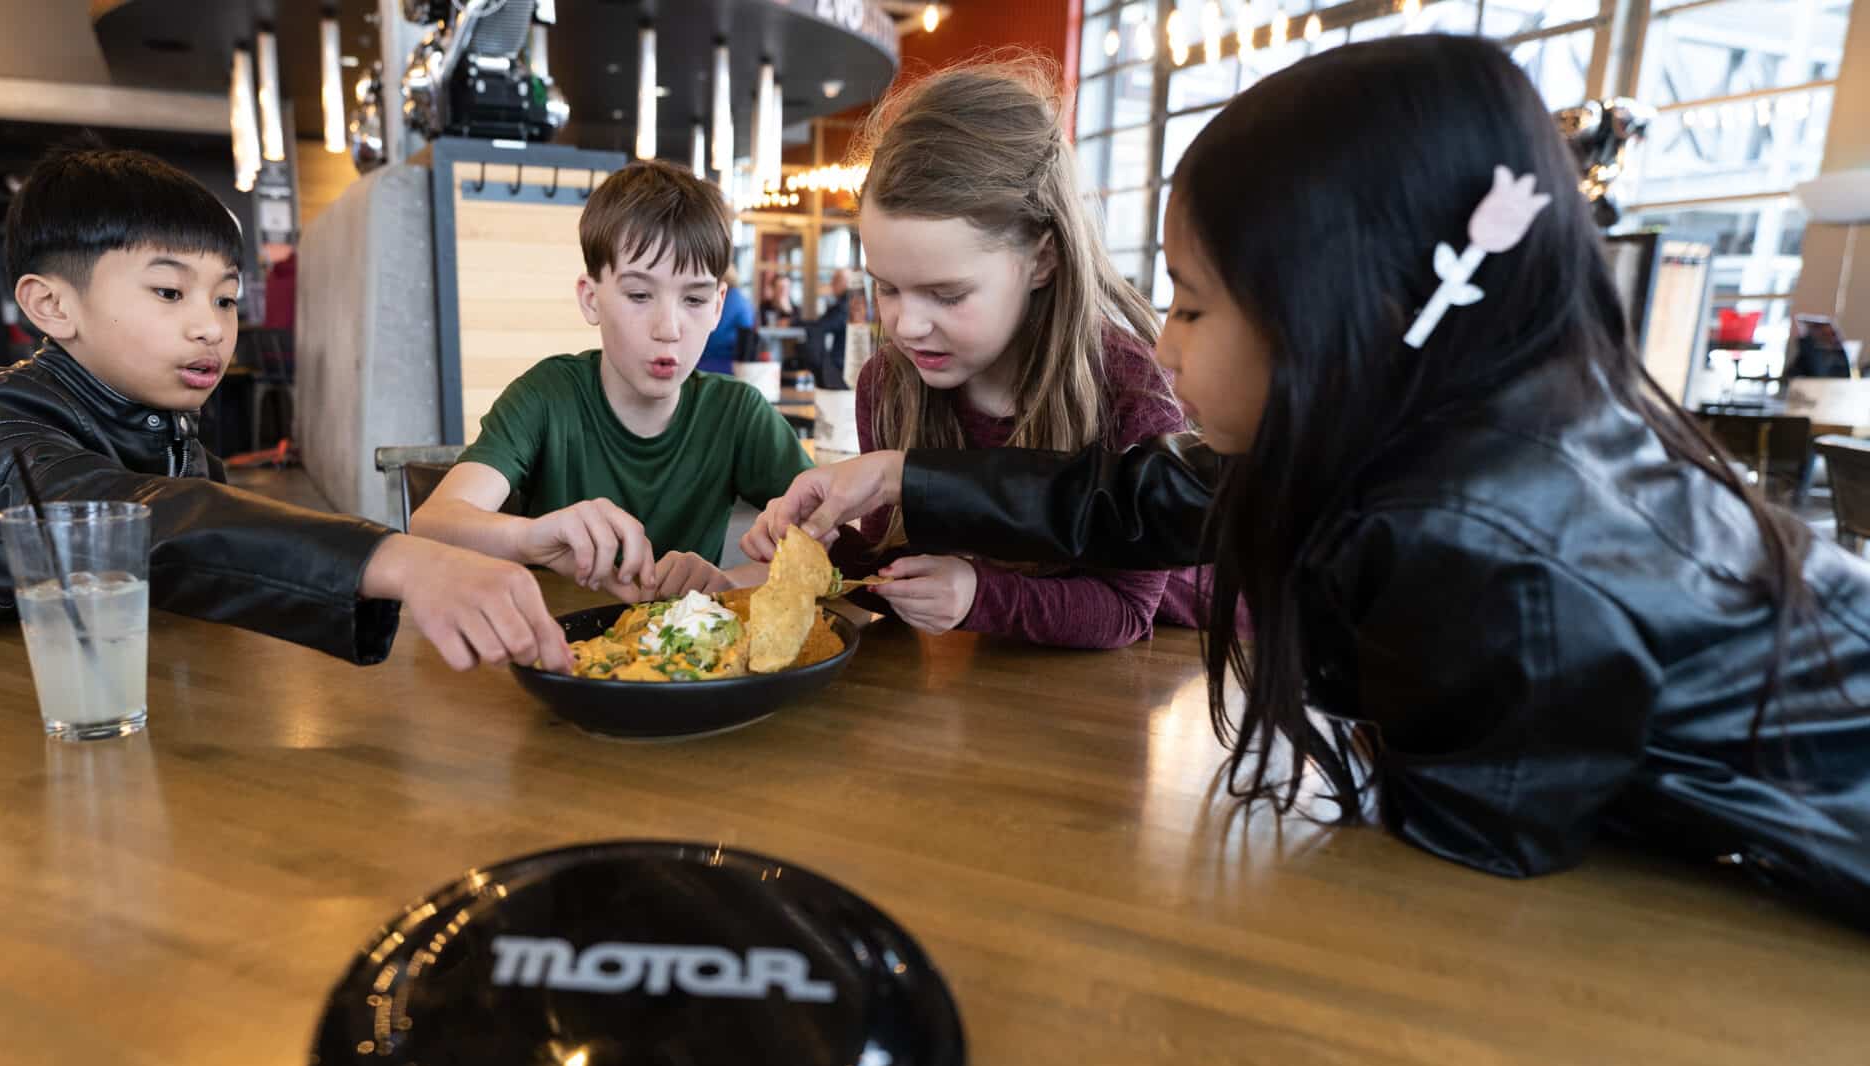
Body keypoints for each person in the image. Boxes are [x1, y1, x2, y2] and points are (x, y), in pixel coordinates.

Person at [748, 36, 1870, 907]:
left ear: (1340, 322)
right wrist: (905, 479)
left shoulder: (1483, 539)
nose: (1168, 343)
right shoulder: (1390, 441)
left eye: (1192, 304)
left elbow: (1468, 870)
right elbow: (1135, 498)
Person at [0, 149, 569, 673]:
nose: (211, 327)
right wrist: (399, 559)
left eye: (225, 298)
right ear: (52, 305)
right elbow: (141, 525)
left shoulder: (167, 425)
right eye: (170, 293)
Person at [819, 59, 1199, 650]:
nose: (907, 325)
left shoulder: (1130, 388)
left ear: (1042, 260)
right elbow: (901, 579)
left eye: (948, 294)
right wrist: (824, 550)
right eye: (886, 287)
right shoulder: (887, 384)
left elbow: (1126, 614)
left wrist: (976, 595)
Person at [410, 161, 811, 596]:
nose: (669, 328)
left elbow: (835, 543)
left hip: (692, 657)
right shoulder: (548, 395)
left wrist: (729, 582)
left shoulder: (737, 414)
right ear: (590, 298)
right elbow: (431, 524)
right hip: (557, 648)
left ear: (718, 306)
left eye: (694, 299)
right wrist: (532, 537)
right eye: (639, 295)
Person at [698, 264, 753, 376]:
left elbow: (713, 335)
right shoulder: (741, 299)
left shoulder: (727, 300)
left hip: (718, 362)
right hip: (730, 363)